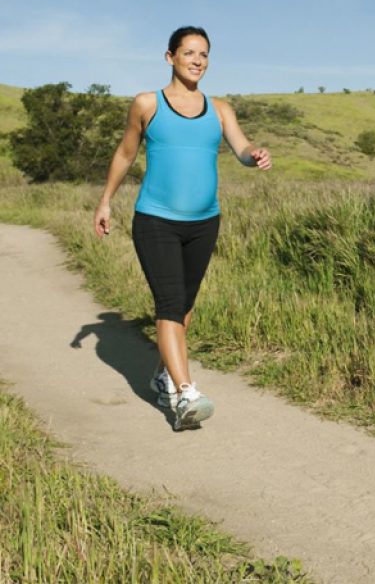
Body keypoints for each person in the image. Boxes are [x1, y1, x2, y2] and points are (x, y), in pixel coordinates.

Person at [93, 26, 272, 431]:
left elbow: (241, 148)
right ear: (169, 57)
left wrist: (254, 153)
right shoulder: (147, 104)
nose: (198, 60)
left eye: (204, 54)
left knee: (185, 306)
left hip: (204, 221)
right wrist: (105, 200)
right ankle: (185, 392)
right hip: (156, 220)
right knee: (170, 303)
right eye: (189, 52)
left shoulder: (221, 108)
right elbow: (125, 153)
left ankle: (162, 375)